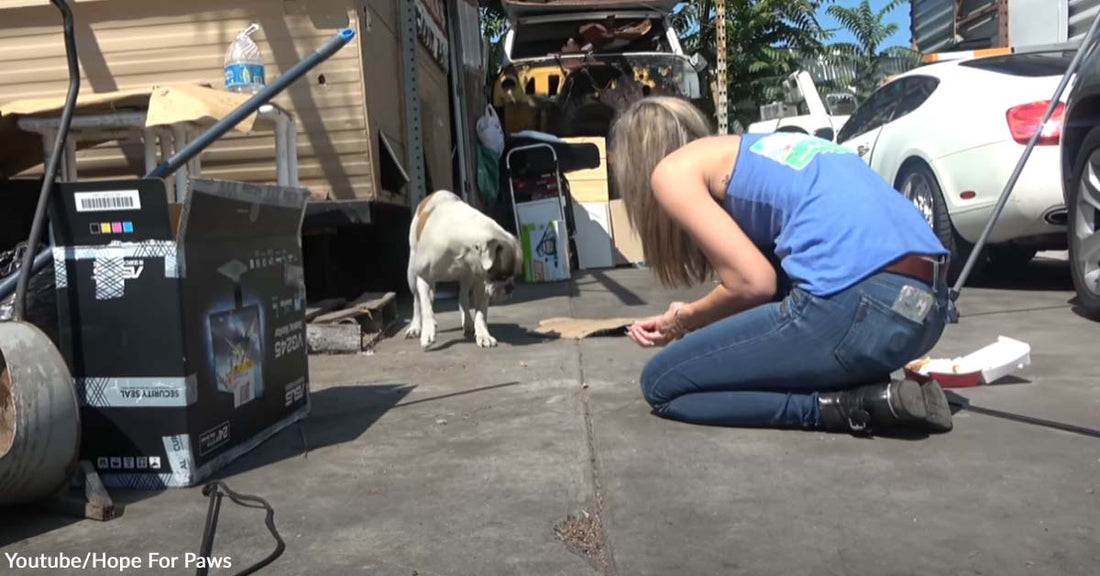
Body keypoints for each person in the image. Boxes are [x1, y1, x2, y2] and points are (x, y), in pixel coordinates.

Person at [608, 96, 953, 436]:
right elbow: (774, 288)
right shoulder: (766, 151)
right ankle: (882, 395)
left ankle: (840, 407)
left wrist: (681, 321)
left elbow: (752, 284)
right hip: (927, 315)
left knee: (663, 382)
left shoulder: (672, 170)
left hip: (859, 308)